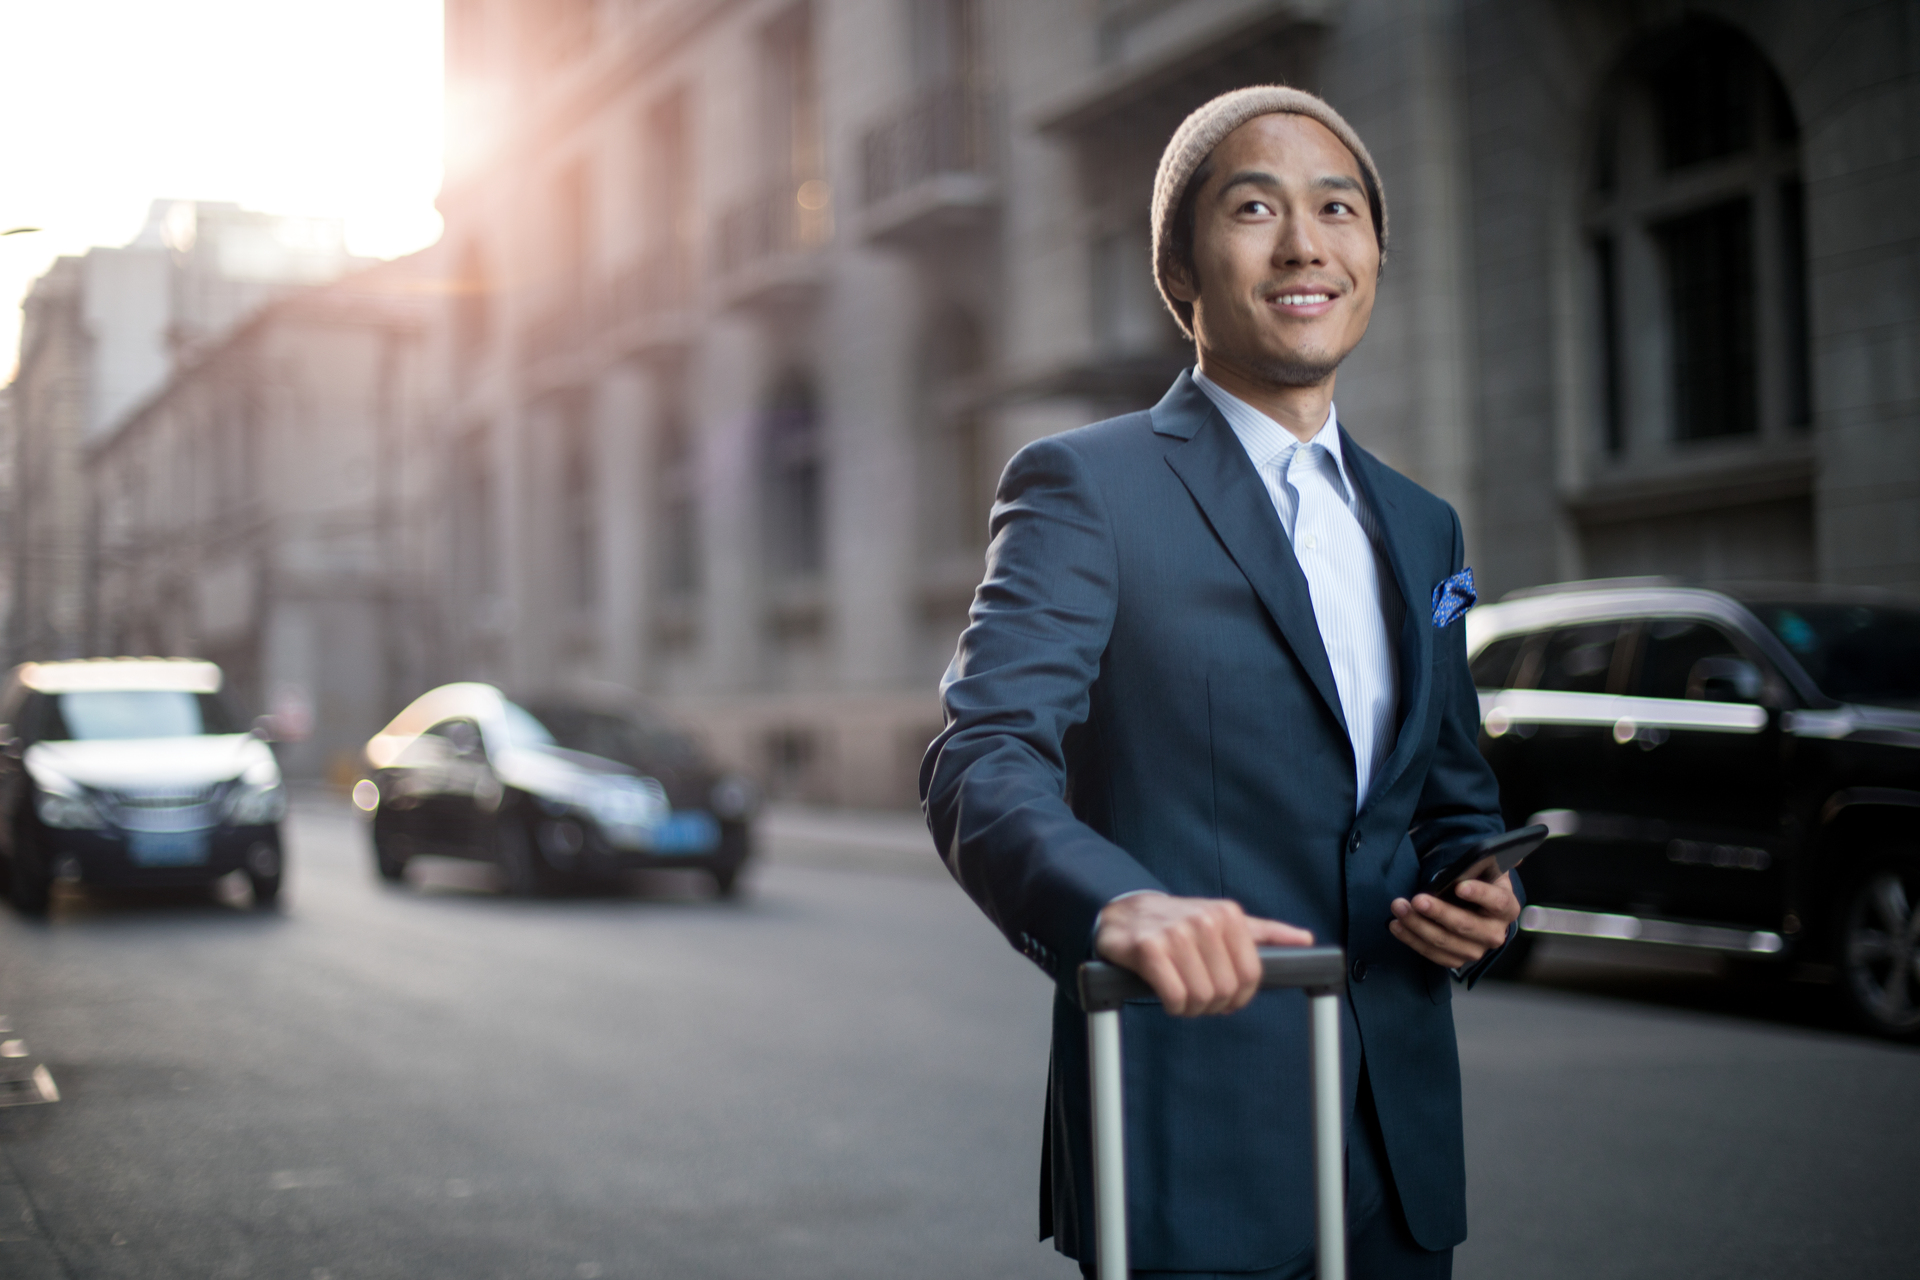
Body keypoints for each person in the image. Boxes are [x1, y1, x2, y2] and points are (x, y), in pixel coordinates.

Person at [920, 85, 1522, 1279]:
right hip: (1187, 1140)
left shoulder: (1425, 527)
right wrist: (1109, 900)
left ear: (1373, 257)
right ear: (1181, 272)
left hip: (1398, 1153)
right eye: (1256, 207)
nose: (1305, 242)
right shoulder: (1085, 486)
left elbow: (1448, 796)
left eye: (1337, 208)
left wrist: (1478, 894)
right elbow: (981, 752)